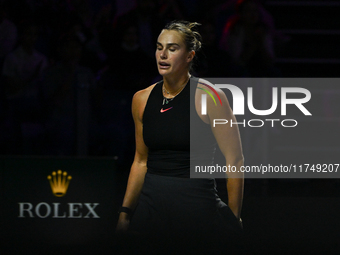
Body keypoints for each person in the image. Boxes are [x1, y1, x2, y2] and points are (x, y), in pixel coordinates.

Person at [116, 20, 244, 254]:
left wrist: (234, 217)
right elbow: (140, 160)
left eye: (172, 48)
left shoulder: (211, 97)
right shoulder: (141, 99)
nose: (162, 55)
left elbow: (234, 160)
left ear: (189, 55)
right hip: (151, 206)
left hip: (197, 206)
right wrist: (125, 212)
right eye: (159, 47)